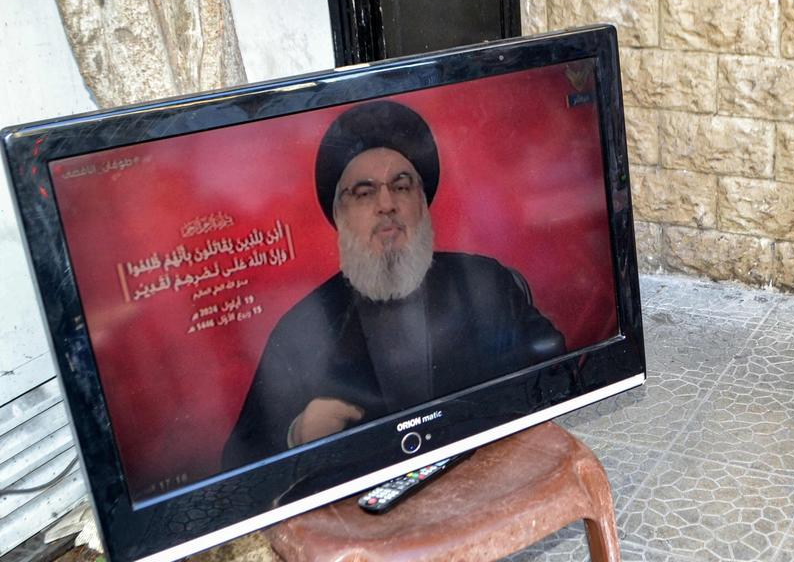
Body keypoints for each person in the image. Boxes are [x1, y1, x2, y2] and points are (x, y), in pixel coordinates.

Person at [222, 101, 566, 469]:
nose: (386, 203)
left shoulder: (485, 283)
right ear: (339, 215)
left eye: (401, 187)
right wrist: (297, 434)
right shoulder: (300, 330)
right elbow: (238, 464)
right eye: (364, 192)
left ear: (422, 202)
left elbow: (557, 373)